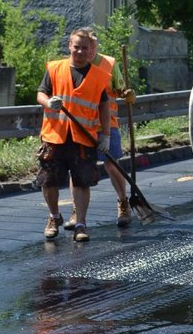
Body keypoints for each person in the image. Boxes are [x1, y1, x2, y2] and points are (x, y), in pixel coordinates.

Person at [36, 28, 110, 243]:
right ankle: (54, 217)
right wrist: (49, 102)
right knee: (48, 182)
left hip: (83, 138)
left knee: (81, 183)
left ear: (90, 51)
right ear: (69, 45)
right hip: (55, 136)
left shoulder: (99, 76)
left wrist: (105, 135)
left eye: (84, 48)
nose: (79, 51)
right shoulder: (54, 68)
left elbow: (104, 107)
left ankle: (81, 224)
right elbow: (41, 93)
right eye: (76, 46)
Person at [63, 31, 137, 230]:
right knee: (77, 169)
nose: (87, 51)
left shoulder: (109, 64)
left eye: (91, 47)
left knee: (112, 165)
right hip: (81, 125)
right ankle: (77, 211)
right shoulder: (69, 65)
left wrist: (127, 94)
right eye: (84, 46)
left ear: (94, 47)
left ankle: (123, 203)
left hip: (107, 124)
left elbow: (120, 89)